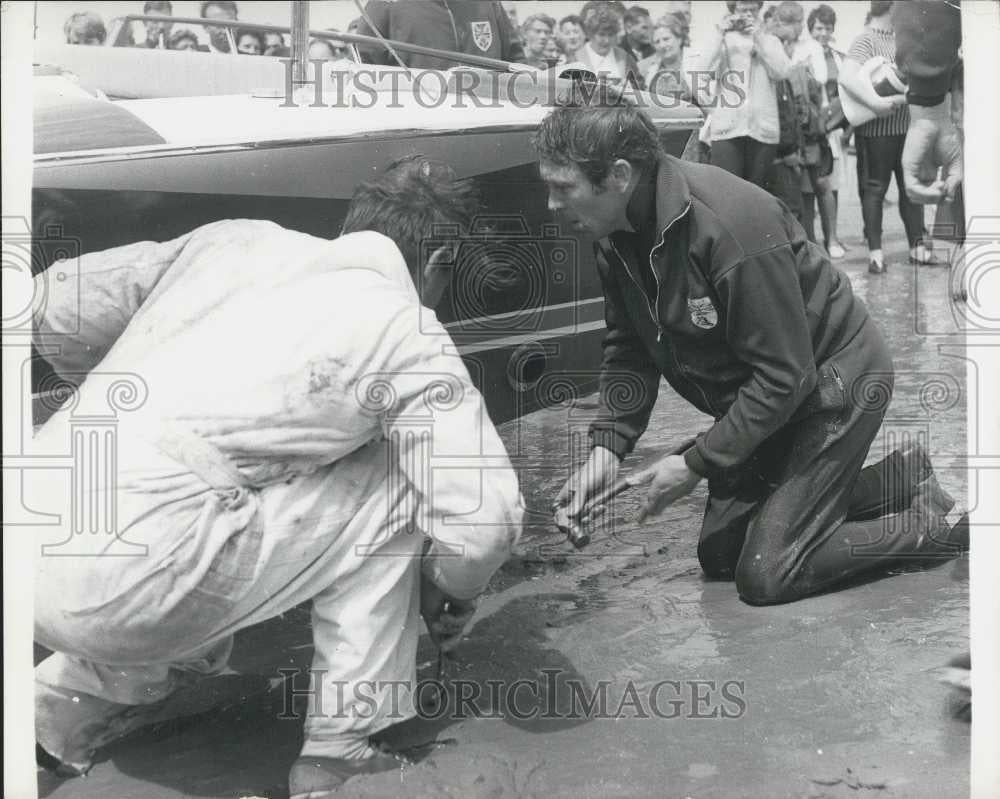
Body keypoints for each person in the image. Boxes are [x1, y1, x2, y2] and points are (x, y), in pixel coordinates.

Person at [32, 155, 524, 795]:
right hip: (131, 582)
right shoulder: (403, 329)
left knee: (202, 520)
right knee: (399, 476)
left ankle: (44, 722)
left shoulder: (234, 239)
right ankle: (344, 747)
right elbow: (488, 521)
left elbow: (54, 308)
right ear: (437, 266)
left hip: (31, 525)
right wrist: (445, 583)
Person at [535, 98, 967, 607]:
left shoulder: (728, 223)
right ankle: (900, 477)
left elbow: (786, 377)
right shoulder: (613, 230)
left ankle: (943, 529)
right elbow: (629, 347)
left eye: (563, 188)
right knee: (720, 555)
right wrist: (607, 450)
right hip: (771, 393)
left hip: (835, 382)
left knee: (768, 572)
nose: (552, 205)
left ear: (620, 175)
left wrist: (695, 463)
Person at [839, 1, 930, 274]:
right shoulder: (865, 40)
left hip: (906, 127)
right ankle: (876, 254)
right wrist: (876, 104)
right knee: (875, 189)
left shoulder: (903, 38)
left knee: (909, 188)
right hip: (876, 131)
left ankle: (918, 248)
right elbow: (847, 78)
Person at [700, 0, 791, 189]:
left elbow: (782, 71)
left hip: (763, 129)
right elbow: (701, 71)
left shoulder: (770, 40)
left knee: (757, 194)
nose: (748, 14)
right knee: (726, 193)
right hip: (727, 129)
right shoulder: (721, 41)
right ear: (733, 11)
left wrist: (760, 37)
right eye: (743, 9)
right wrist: (719, 34)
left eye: (753, 9)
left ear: (760, 10)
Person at [355, 0, 524, 71]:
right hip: (423, 130)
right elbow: (366, 71)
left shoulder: (487, 3)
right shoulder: (385, 5)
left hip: (490, 124)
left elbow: (517, 63)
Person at [802, 4, 848, 259]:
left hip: (833, 128)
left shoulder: (838, 56)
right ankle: (811, 241)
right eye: (819, 27)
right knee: (810, 186)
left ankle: (833, 237)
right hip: (810, 127)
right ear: (811, 29)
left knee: (832, 184)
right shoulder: (804, 54)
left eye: (828, 28)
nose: (823, 32)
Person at [568, 3, 643, 89]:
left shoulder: (624, 57)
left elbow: (639, 83)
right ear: (591, 34)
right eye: (601, 35)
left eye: (610, 35)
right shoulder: (576, 58)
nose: (606, 40)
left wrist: (631, 85)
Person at [638, 14, 691, 103]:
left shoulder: (696, 62)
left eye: (666, 39)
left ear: (679, 39)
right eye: (657, 42)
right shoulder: (645, 69)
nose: (662, 45)